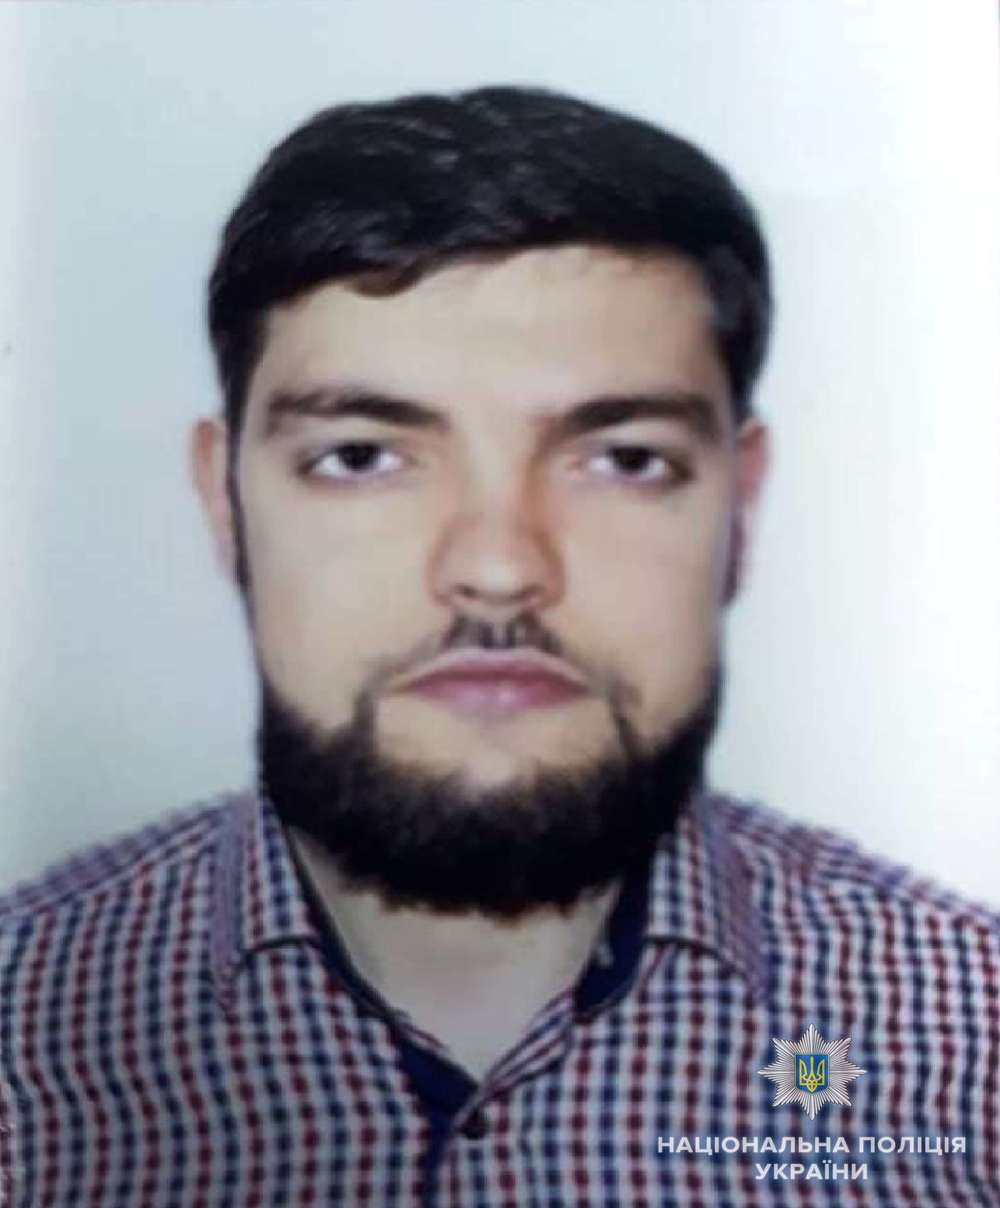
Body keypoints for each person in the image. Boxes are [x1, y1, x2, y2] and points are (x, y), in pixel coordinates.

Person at [0, 85, 996, 1208]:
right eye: (362, 456)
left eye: (623, 459)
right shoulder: (23, 1033)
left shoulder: (973, 1037)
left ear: (741, 503)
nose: (497, 565)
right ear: (224, 501)